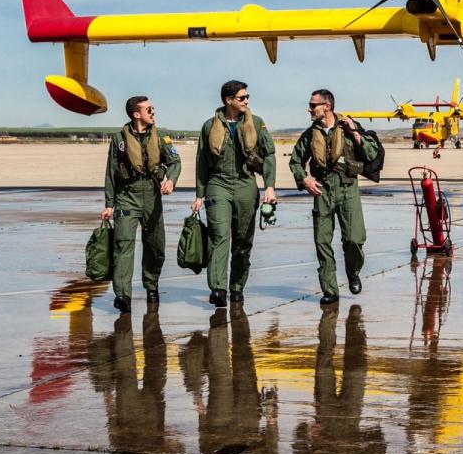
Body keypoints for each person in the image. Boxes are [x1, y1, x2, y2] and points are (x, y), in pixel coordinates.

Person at [191, 80, 277, 307]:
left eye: (247, 97)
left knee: (243, 241)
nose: (246, 101)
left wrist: (269, 186)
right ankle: (218, 289)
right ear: (228, 100)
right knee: (219, 236)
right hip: (217, 184)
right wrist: (199, 194)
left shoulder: (257, 124)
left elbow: (269, 155)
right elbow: (201, 161)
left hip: (245, 184)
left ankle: (237, 286)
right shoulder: (209, 126)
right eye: (242, 98)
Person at [289, 89, 378, 305]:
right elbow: (295, 161)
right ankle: (329, 289)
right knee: (322, 242)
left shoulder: (348, 127)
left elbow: (371, 154)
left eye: (313, 105)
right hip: (323, 190)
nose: (309, 109)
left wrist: (356, 133)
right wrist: (305, 179)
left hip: (347, 189)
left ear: (326, 106)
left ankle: (353, 271)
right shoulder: (311, 134)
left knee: (354, 239)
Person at [102, 96, 181, 313]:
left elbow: (175, 161)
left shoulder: (161, 136)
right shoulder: (119, 138)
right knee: (123, 245)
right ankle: (123, 295)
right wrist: (109, 204)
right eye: (149, 109)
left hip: (152, 196)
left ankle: (151, 285)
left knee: (156, 246)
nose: (153, 112)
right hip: (127, 196)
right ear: (136, 114)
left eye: (152, 108)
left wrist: (171, 180)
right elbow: (111, 172)